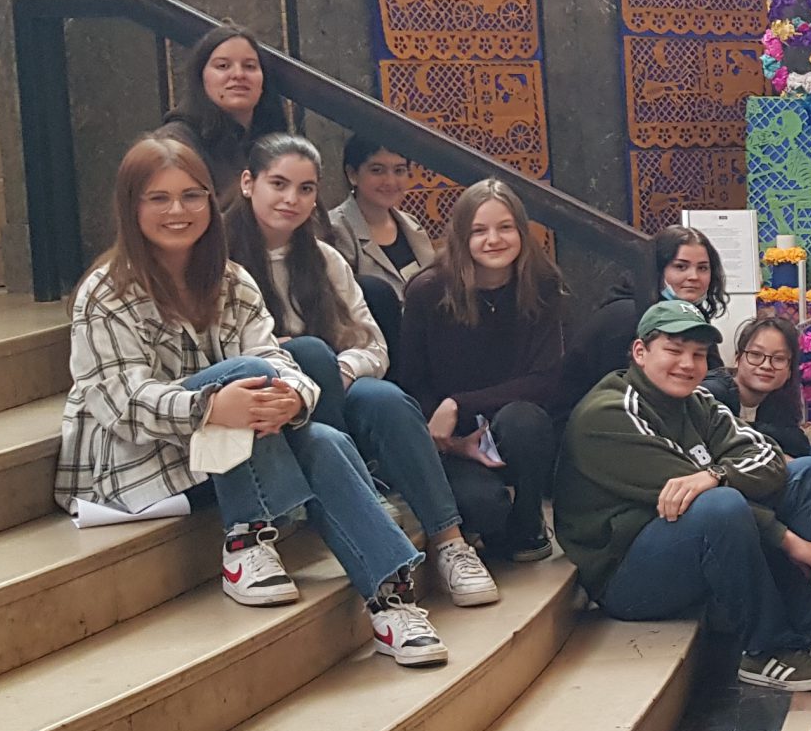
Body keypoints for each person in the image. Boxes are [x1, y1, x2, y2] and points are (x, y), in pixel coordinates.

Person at [54, 136, 445, 666]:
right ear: (130, 206)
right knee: (252, 379)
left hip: (221, 455)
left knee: (317, 432)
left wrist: (293, 400)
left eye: (191, 196)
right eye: (158, 198)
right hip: (135, 462)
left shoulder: (232, 280)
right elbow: (122, 403)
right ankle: (246, 538)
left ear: (209, 202)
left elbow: (278, 362)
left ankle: (390, 603)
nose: (178, 211)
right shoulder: (106, 292)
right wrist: (212, 407)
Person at [225, 133, 499, 608]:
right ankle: (356, 491)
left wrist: (342, 371)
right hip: (261, 404)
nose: (292, 200)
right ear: (249, 183)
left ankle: (450, 543)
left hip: (328, 391)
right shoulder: (219, 260)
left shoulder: (323, 258)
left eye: (306, 189)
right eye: (279, 184)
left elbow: (373, 345)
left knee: (386, 399)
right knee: (308, 351)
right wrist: (295, 362)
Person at [557, 301, 811, 691]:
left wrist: (717, 473)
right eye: (674, 350)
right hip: (625, 574)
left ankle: (808, 633)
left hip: (683, 540)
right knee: (720, 505)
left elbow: (768, 457)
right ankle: (765, 647)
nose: (687, 364)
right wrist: (784, 537)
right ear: (640, 352)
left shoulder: (696, 402)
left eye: (698, 354)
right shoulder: (609, 413)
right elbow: (692, 491)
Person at [396, 180, 566, 563]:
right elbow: (412, 381)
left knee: (525, 420)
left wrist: (459, 402)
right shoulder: (428, 291)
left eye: (505, 227)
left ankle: (528, 519)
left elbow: (546, 379)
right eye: (479, 230)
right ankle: (491, 517)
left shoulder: (543, 283)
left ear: (521, 231)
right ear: (461, 236)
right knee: (484, 507)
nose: (494, 240)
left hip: (515, 428)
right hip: (451, 438)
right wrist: (453, 440)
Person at [558, 225, 727, 415]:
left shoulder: (692, 316)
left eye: (702, 268)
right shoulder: (627, 316)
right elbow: (619, 394)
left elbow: (717, 377)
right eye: (681, 266)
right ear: (657, 270)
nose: (694, 277)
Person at [158, 23, 292, 207]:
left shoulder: (276, 143)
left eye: (250, 66)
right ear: (201, 78)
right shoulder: (176, 144)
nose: (238, 74)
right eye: (222, 66)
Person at [326, 131, 434, 349]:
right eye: (377, 170)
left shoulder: (412, 225)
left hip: (427, 335)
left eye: (399, 170)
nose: (390, 181)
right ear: (352, 174)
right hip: (374, 345)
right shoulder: (334, 229)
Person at [704, 312, 811, 458]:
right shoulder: (711, 395)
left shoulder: (781, 402)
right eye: (756, 355)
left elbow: (798, 445)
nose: (766, 365)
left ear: (789, 371)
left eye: (779, 358)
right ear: (737, 359)